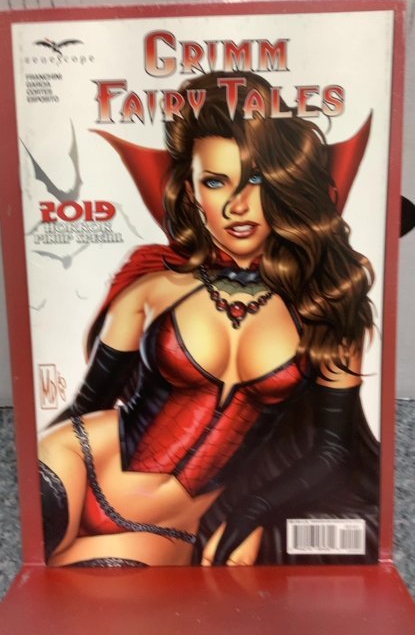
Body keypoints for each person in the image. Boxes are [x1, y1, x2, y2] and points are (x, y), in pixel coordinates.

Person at [39, 72, 379, 568]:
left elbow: (332, 448)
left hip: (175, 525)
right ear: (191, 191)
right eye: (215, 182)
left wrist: (254, 509)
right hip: (81, 457)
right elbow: (89, 404)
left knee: (85, 592)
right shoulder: (153, 287)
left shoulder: (329, 303)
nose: (237, 205)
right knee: (34, 559)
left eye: (256, 179)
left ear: (284, 181)